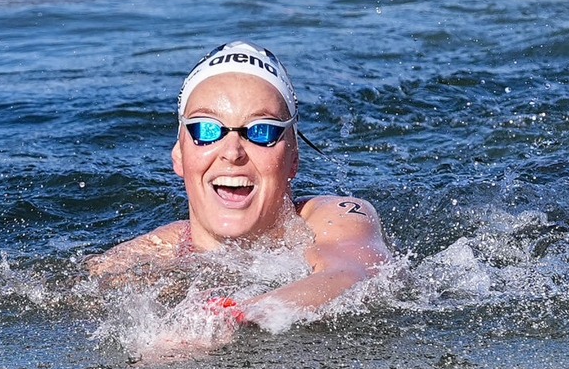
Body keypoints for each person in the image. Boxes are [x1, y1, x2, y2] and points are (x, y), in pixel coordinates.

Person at [84, 40, 391, 328]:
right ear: (179, 155)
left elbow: (354, 275)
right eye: (206, 129)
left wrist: (230, 316)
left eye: (261, 130)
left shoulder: (335, 217)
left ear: (293, 157)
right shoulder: (142, 258)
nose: (232, 152)